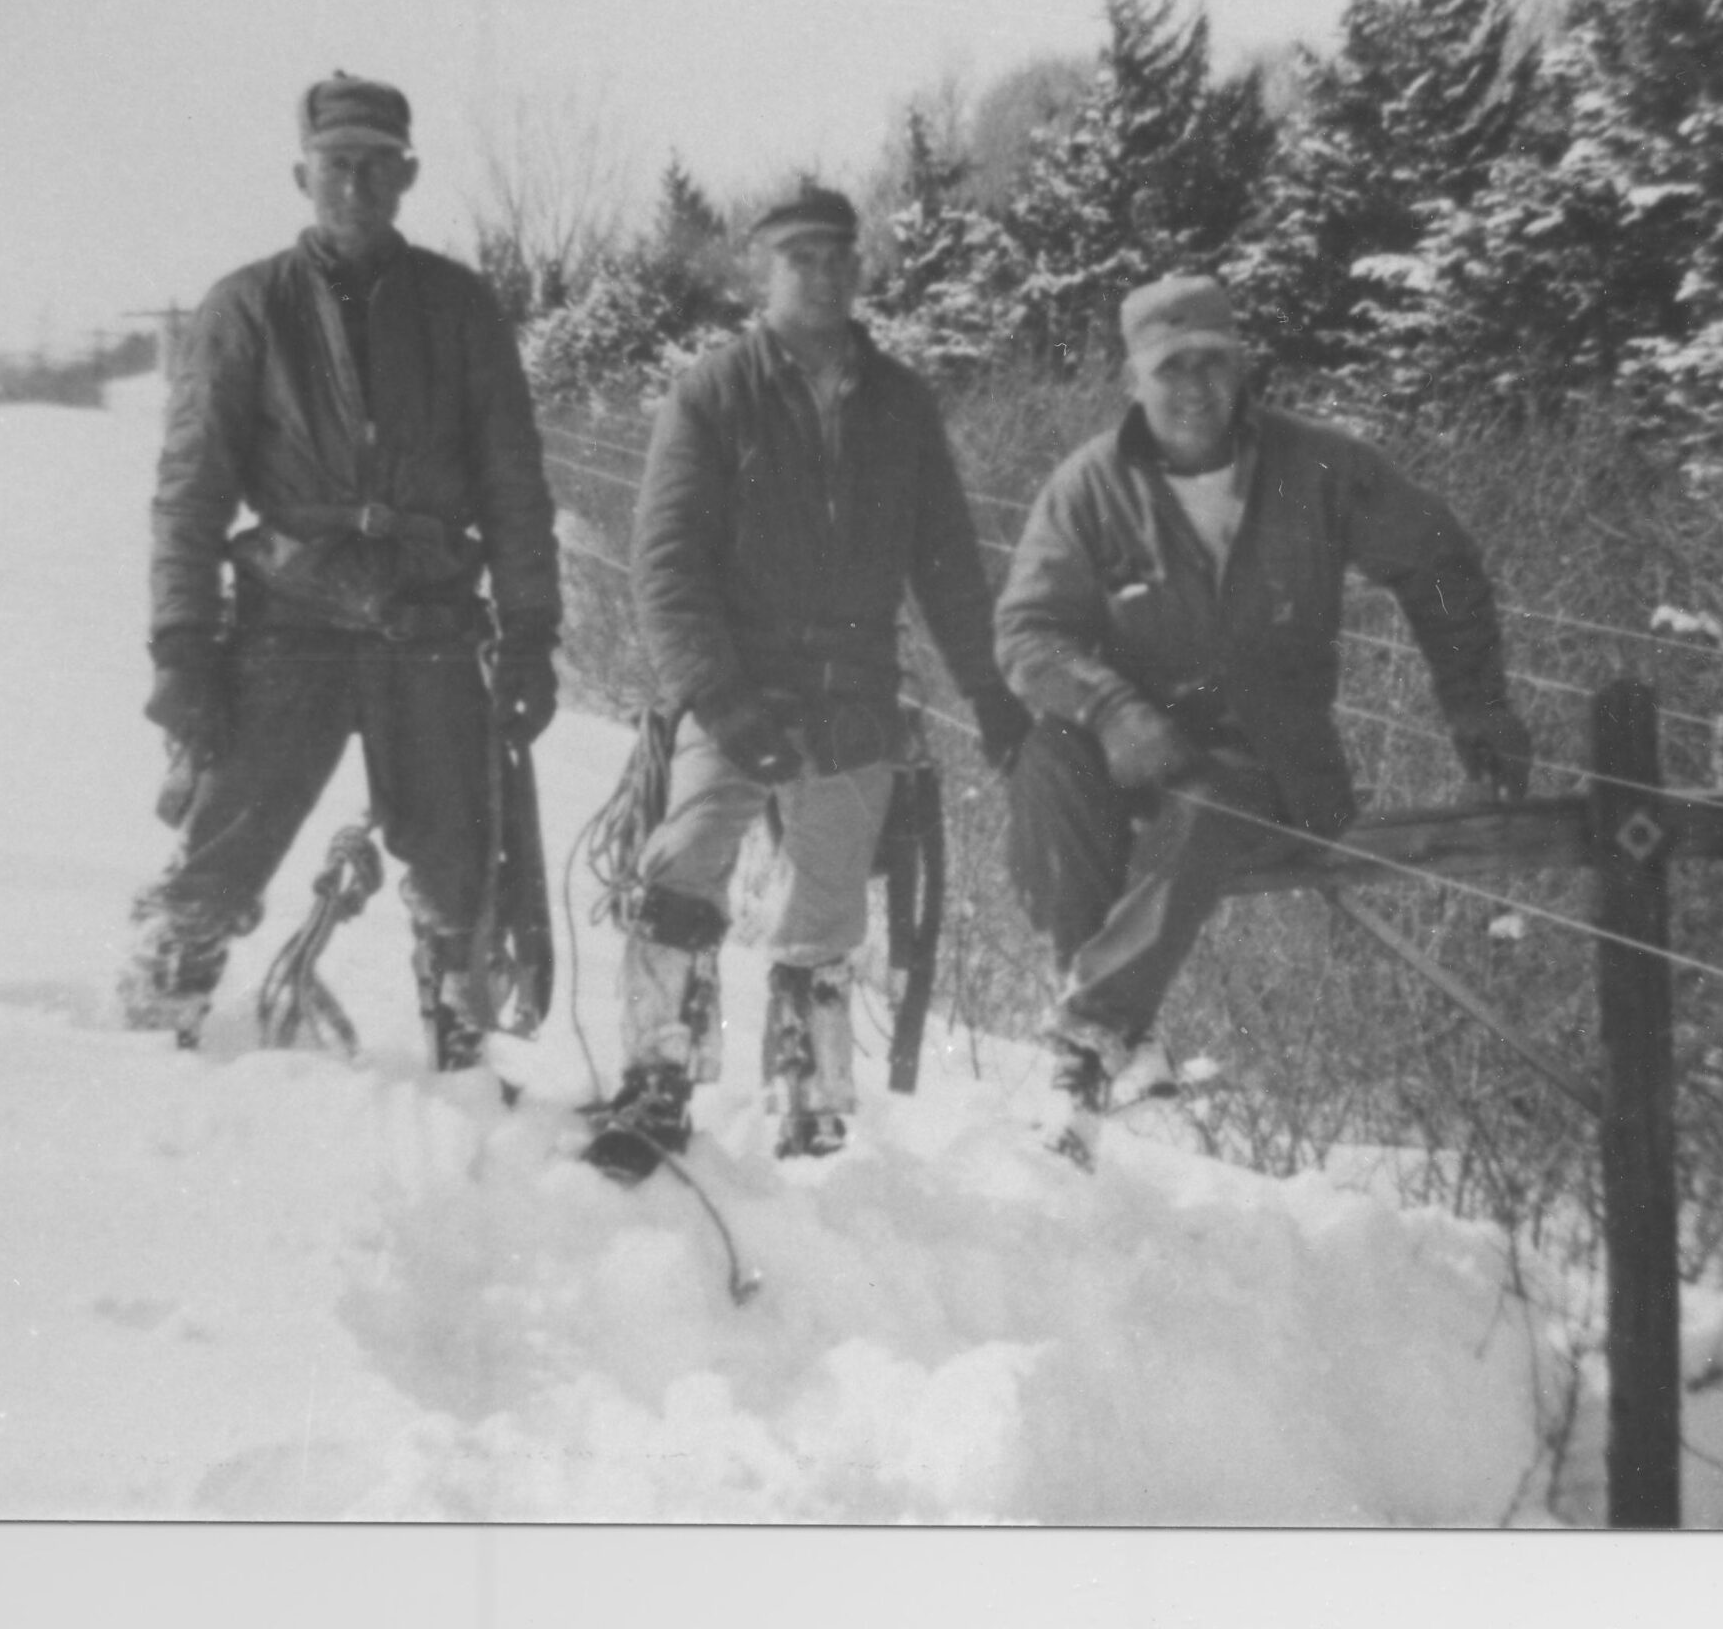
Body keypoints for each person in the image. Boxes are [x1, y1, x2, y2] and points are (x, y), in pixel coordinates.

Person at [995, 274, 1532, 1168]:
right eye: (1172, 367)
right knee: (1044, 756)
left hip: (1267, 757)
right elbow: (1027, 631)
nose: (1196, 386)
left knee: (1212, 805)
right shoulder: (1089, 486)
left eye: (1214, 362)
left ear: (1242, 368)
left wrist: (1474, 700)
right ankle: (1109, 1014)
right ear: (1134, 379)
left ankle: (1085, 1049)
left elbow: (1437, 562)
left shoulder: (1318, 465)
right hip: (1135, 755)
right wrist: (1112, 710)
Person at [587, 182, 1033, 1178]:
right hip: (734, 685)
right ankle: (656, 1080)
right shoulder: (711, 393)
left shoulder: (900, 403)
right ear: (765, 270)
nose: (821, 276)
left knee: (828, 903)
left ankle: (812, 1103)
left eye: (837, 258)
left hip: (852, 694)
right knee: (683, 860)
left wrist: (994, 699)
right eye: (800, 259)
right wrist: (720, 699)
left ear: (856, 269)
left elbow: (948, 566)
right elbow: (665, 568)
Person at [119, 72, 562, 1061]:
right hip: (290, 622)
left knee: (459, 868)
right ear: (300, 174)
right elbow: (189, 495)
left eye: (375, 165)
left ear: (407, 173)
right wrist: (182, 649)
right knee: (221, 854)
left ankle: (459, 1055)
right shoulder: (245, 310)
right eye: (335, 166)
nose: (355, 186)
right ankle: (155, 1043)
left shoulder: (460, 308)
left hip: (431, 622)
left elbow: (514, 486)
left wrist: (533, 633)